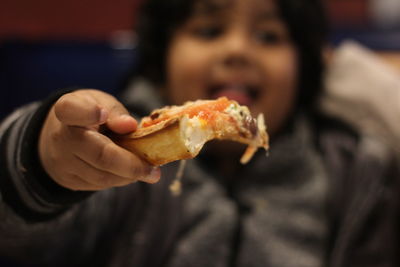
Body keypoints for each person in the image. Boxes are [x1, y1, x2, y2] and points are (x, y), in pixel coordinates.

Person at [0, 0, 399, 266]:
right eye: (208, 31)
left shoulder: (352, 170)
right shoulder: (113, 154)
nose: (237, 50)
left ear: (306, 68)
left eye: (269, 37)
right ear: (161, 62)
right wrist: (44, 161)